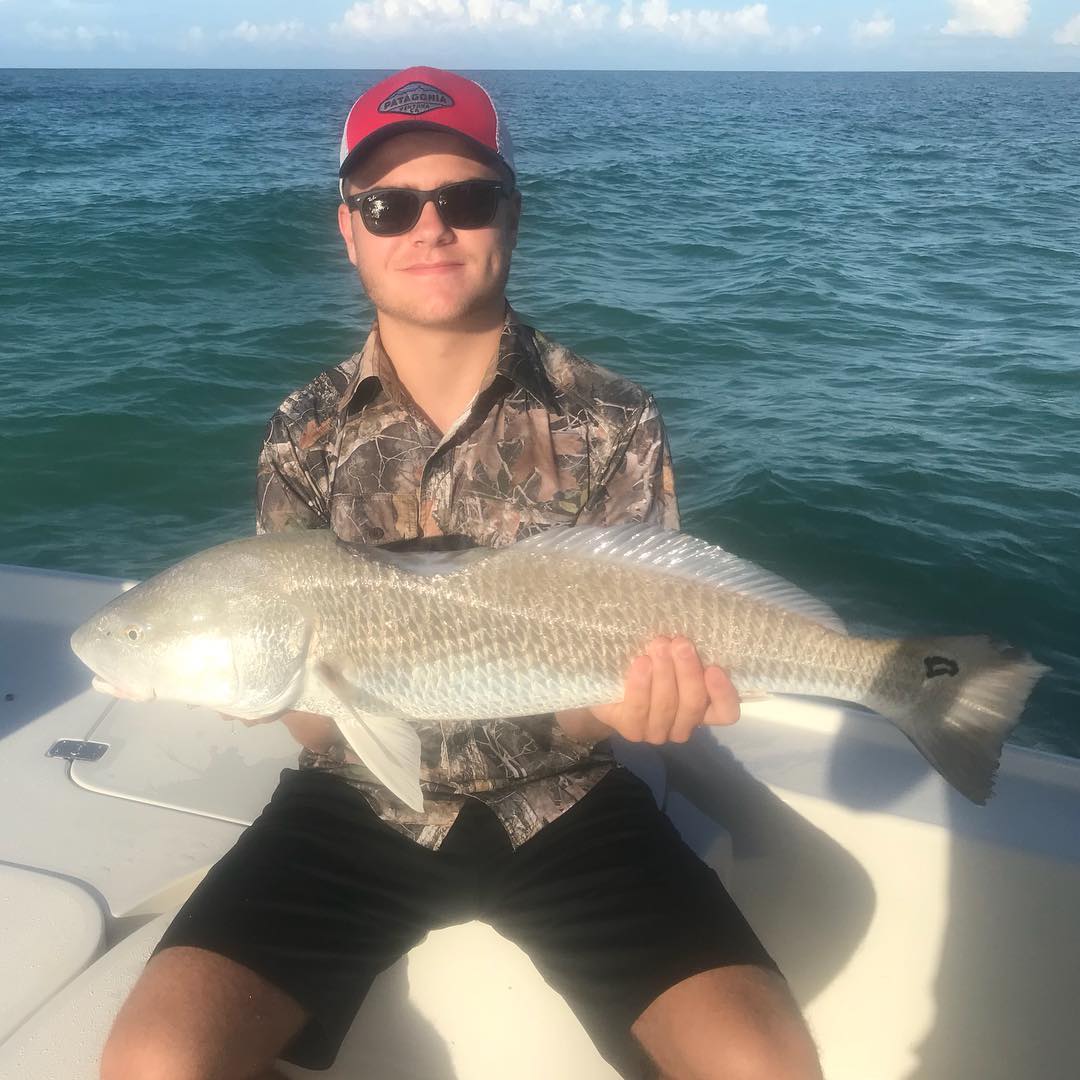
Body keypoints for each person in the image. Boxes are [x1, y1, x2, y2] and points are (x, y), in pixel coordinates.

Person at [100, 67, 822, 1080]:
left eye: (466, 198)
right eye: (390, 206)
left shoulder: (613, 418)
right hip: (353, 804)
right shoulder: (300, 433)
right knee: (155, 1063)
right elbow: (323, 724)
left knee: (767, 1067)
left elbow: (618, 655)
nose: (428, 228)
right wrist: (268, 688)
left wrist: (632, 703)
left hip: (567, 801)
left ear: (510, 216)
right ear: (348, 231)